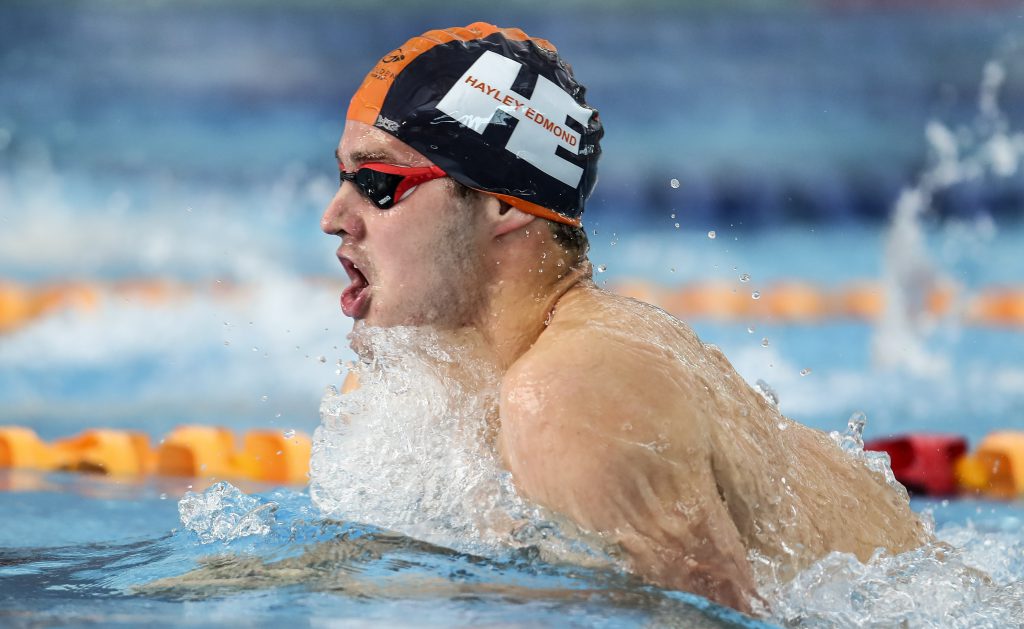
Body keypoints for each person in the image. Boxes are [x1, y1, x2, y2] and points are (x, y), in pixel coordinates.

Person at [320, 22, 927, 615]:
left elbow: (724, 615)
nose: (334, 215)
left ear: (501, 204)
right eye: (343, 176)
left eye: (377, 181)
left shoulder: (567, 397)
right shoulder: (448, 384)